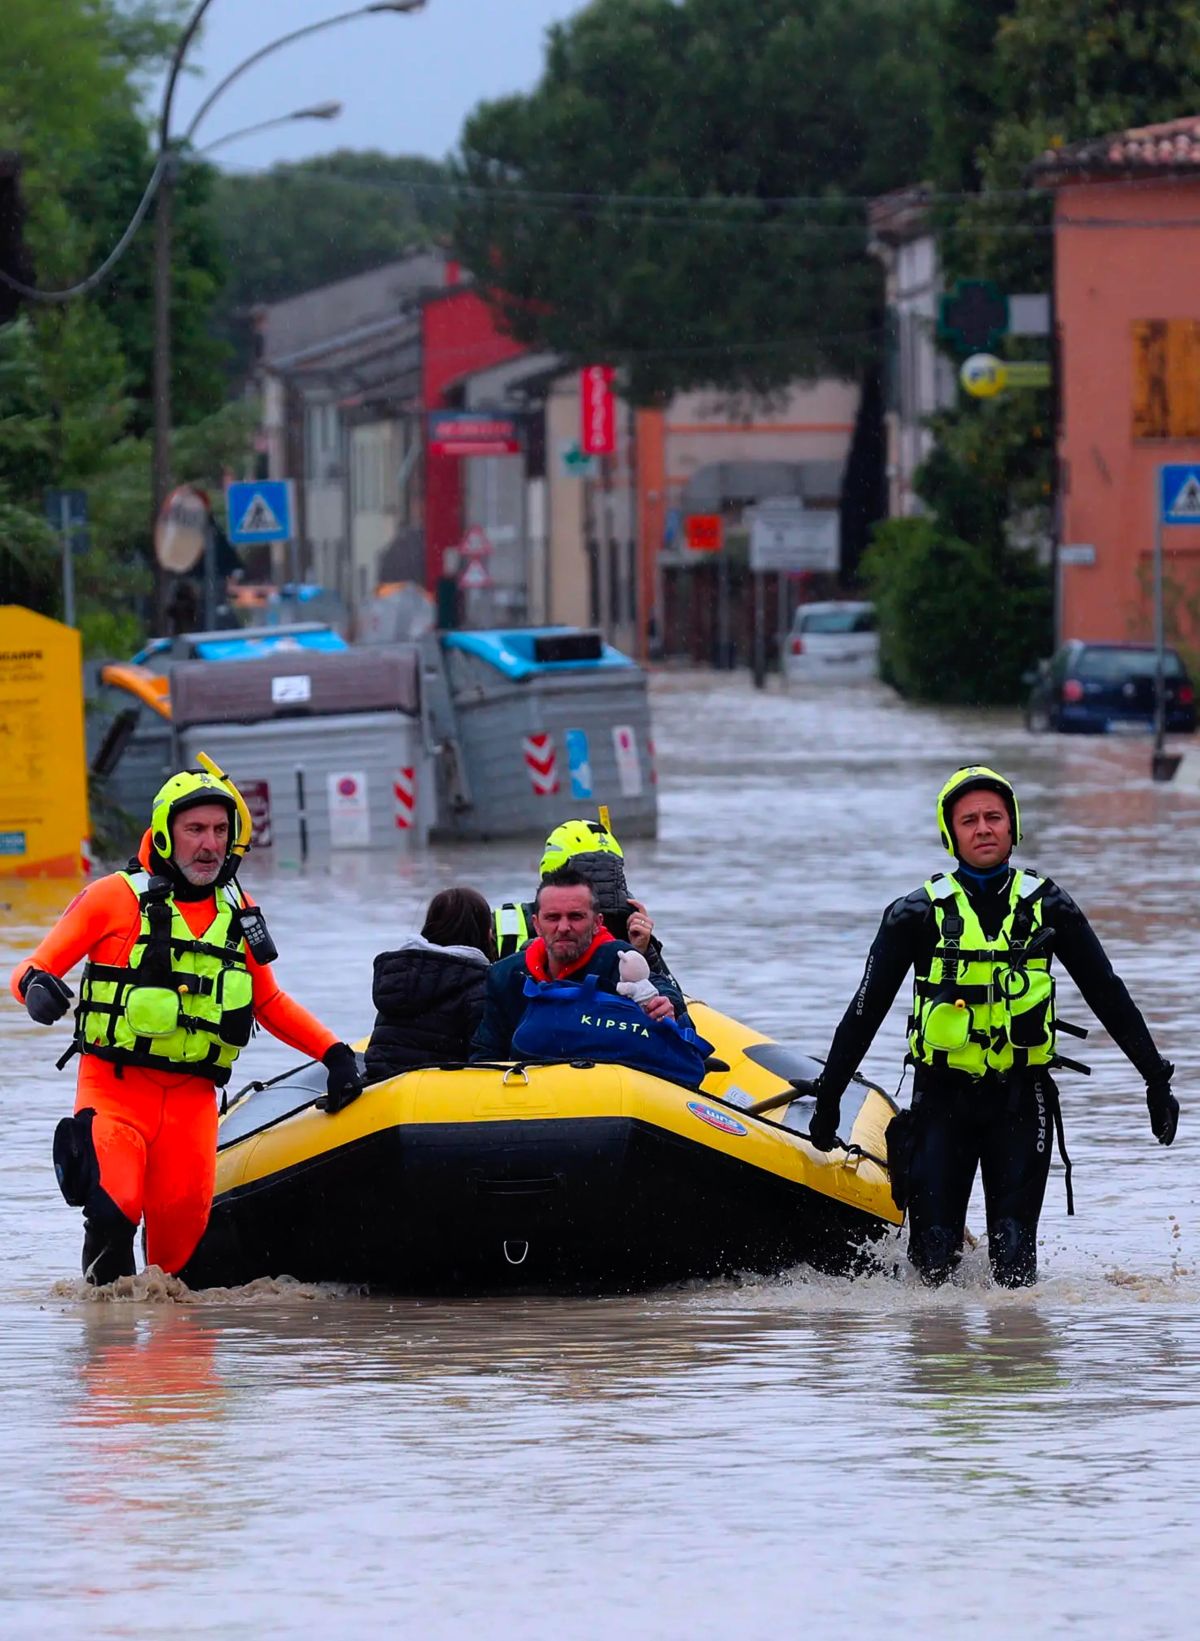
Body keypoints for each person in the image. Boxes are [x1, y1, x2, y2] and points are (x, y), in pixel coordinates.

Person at [807, 764, 1178, 1289]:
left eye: (994, 817)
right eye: (969, 820)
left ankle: (1016, 1364)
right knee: (932, 1264)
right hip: (939, 1103)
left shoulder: (1050, 906)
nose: (983, 828)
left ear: (1013, 827)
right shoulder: (912, 916)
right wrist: (829, 1096)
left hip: (1020, 1104)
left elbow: (1107, 994)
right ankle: (939, 1365)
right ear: (950, 834)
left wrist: (1155, 1078)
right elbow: (864, 1011)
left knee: (1014, 1265)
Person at [9, 763, 364, 1286]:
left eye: (220, 831)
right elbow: (29, 970)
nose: (209, 844)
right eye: (195, 829)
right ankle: (105, 1351)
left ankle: (171, 1364)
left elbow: (269, 1001)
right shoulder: (112, 897)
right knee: (114, 1208)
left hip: (192, 1105)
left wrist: (334, 1053)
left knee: (175, 1262)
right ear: (164, 834)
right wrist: (38, 990)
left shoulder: (239, 911)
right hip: (114, 1092)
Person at [472, 866, 686, 1061]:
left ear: (597, 923)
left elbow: (661, 987)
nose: (563, 927)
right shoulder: (505, 975)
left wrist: (667, 1006)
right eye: (553, 917)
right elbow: (485, 1054)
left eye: (575, 917)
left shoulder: (619, 959)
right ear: (536, 925)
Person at [492, 818, 675, 983]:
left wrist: (642, 952)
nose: (564, 927)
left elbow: (671, 1001)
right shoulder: (504, 929)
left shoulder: (631, 929)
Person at [365, 887, 494, 1082]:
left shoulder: (399, 976)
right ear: (485, 932)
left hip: (381, 1087)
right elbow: (485, 1061)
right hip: (439, 1094)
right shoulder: (481, 986)